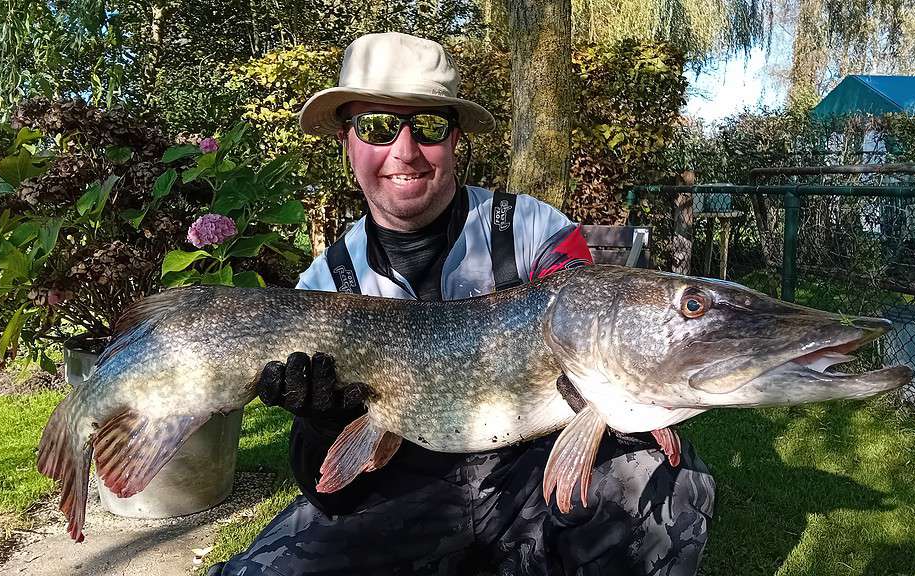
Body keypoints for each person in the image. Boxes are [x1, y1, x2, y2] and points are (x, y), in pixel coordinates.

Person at [209, 32, 714, 576]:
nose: (405, 151)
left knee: (665, 490)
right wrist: (320, 423)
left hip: (527, 478)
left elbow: (603, 329)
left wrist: (628, 396)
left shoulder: (532, 230)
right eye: (377, 127)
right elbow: (331, 494)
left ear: (454, 139)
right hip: (399, 494)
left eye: (428, 126)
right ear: (346, 139)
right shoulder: (323, 285)